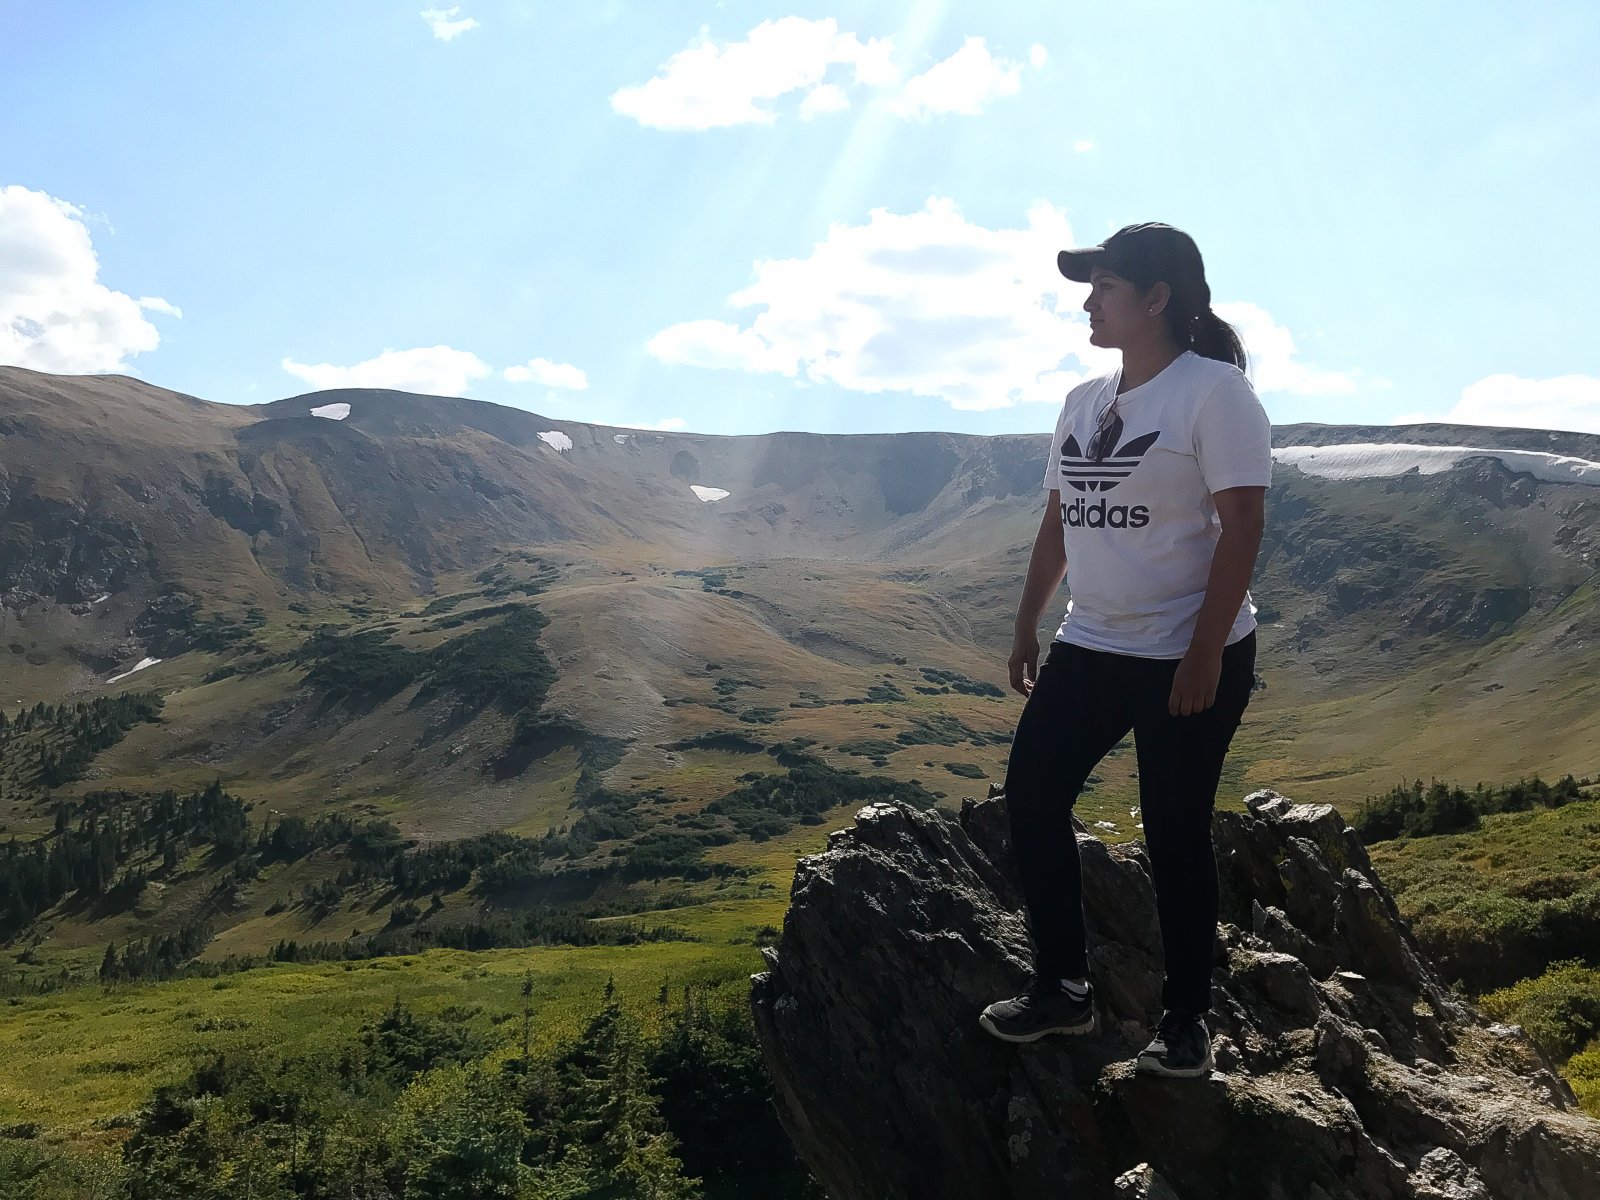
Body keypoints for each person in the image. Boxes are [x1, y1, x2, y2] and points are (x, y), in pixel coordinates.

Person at [977, 222, 1271, 1078]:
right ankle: (1063, 988)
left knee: (1175, 832)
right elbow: (1059, 519)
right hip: (1094, 643)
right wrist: (1029, 620)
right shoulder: (1083, 400)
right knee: (1031, 797)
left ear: (1157, 299)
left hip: (1191, 650)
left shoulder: (1214, 395)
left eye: (1103, 286)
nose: (1087, 301)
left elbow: (1244, 524)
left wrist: (1205, 654)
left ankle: (1185, 1025)